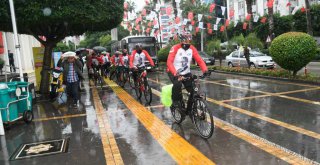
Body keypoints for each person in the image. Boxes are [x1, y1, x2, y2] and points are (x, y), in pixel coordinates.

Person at [167, 34, 208, 114]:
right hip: (173, 72)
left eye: (189, 41)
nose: (187, 43)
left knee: (193, 90)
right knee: (178, 85)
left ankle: (190, 109)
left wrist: (205, 70)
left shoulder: (192, 49)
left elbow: (199, 60)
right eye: (185, 41)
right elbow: (169, 62)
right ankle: (175, 102)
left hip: (186, 73)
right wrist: (176, 74)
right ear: (181, 41)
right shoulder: (175, 48)